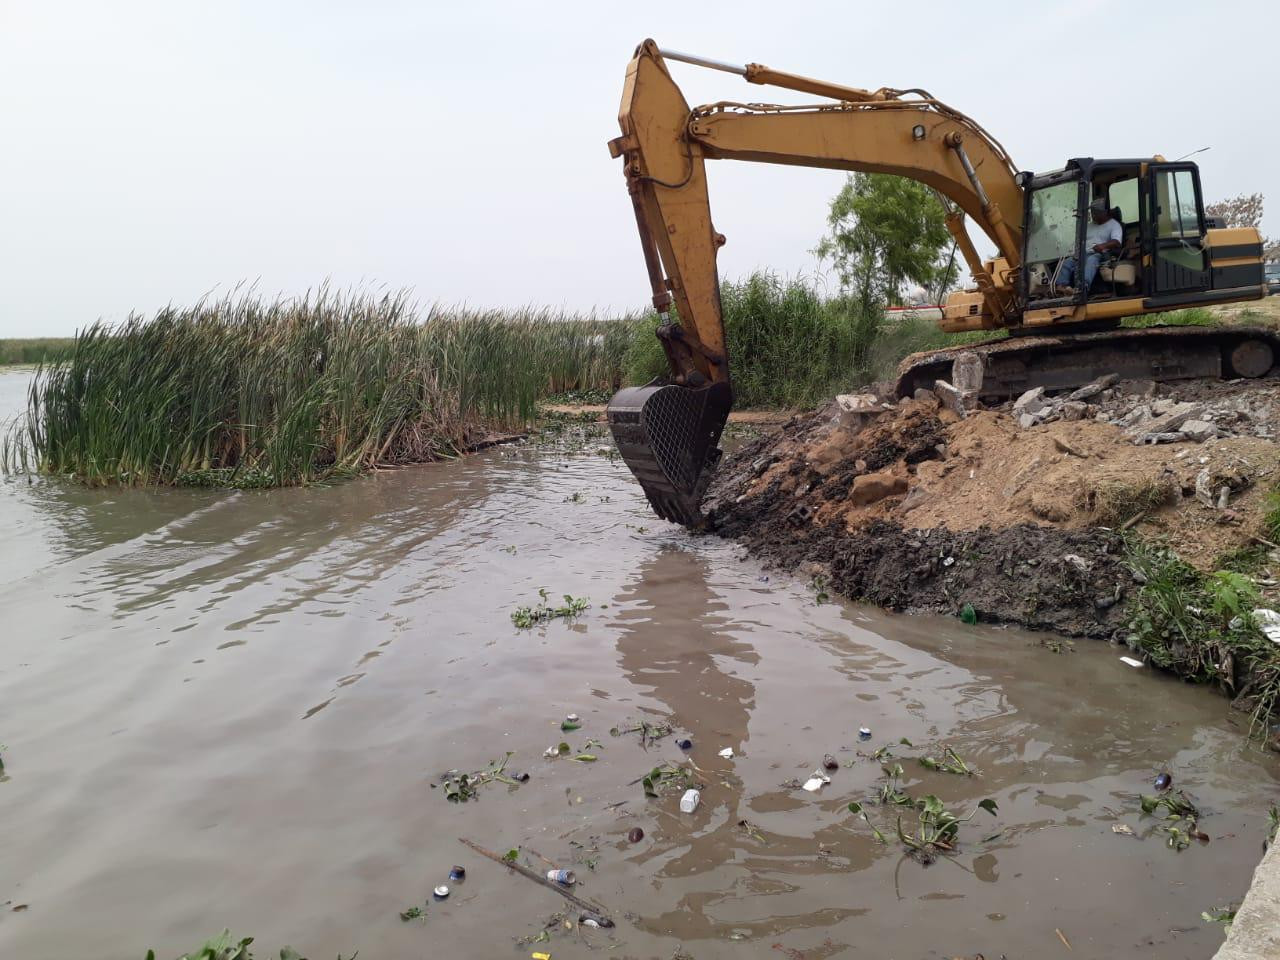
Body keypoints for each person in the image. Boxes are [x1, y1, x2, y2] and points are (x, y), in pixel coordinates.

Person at [1054, 199, 1123, 295]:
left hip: (1101, 254)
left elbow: (1117, 242)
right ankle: (1062, 287)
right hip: (1083, 253)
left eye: (1096, 213)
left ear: (1105, 212)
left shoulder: (1114, 225)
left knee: (1091, 260)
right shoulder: (1089, 226)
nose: (1093, 215)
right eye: (1092, 212)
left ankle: (1083, 288)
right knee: (1067, 262)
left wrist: (1102, 246)